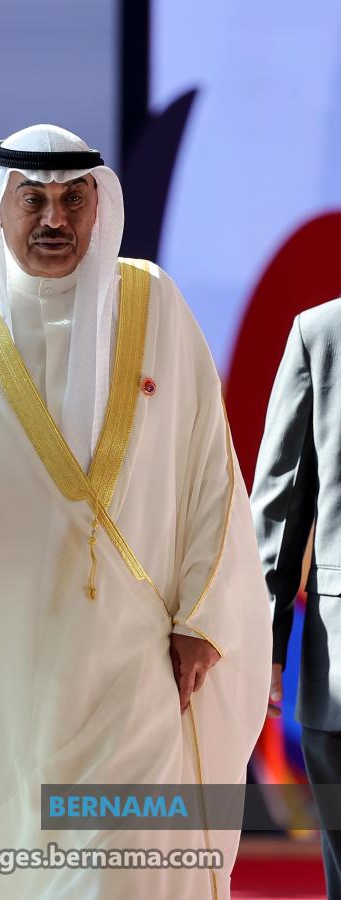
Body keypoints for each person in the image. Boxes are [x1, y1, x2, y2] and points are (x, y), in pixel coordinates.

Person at [0, 124, 271, 899]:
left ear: (101, 207)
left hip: (132, 661)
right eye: (34, 200)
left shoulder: (151, 301)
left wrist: (204, 616)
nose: (54, 219)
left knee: (126, 871)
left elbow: (211, 472)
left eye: (73, 200)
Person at [251, 300, 341, 899]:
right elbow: (283, 505)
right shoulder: (321, 333)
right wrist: (265, 639)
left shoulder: (324, 331)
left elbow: (280, 504)